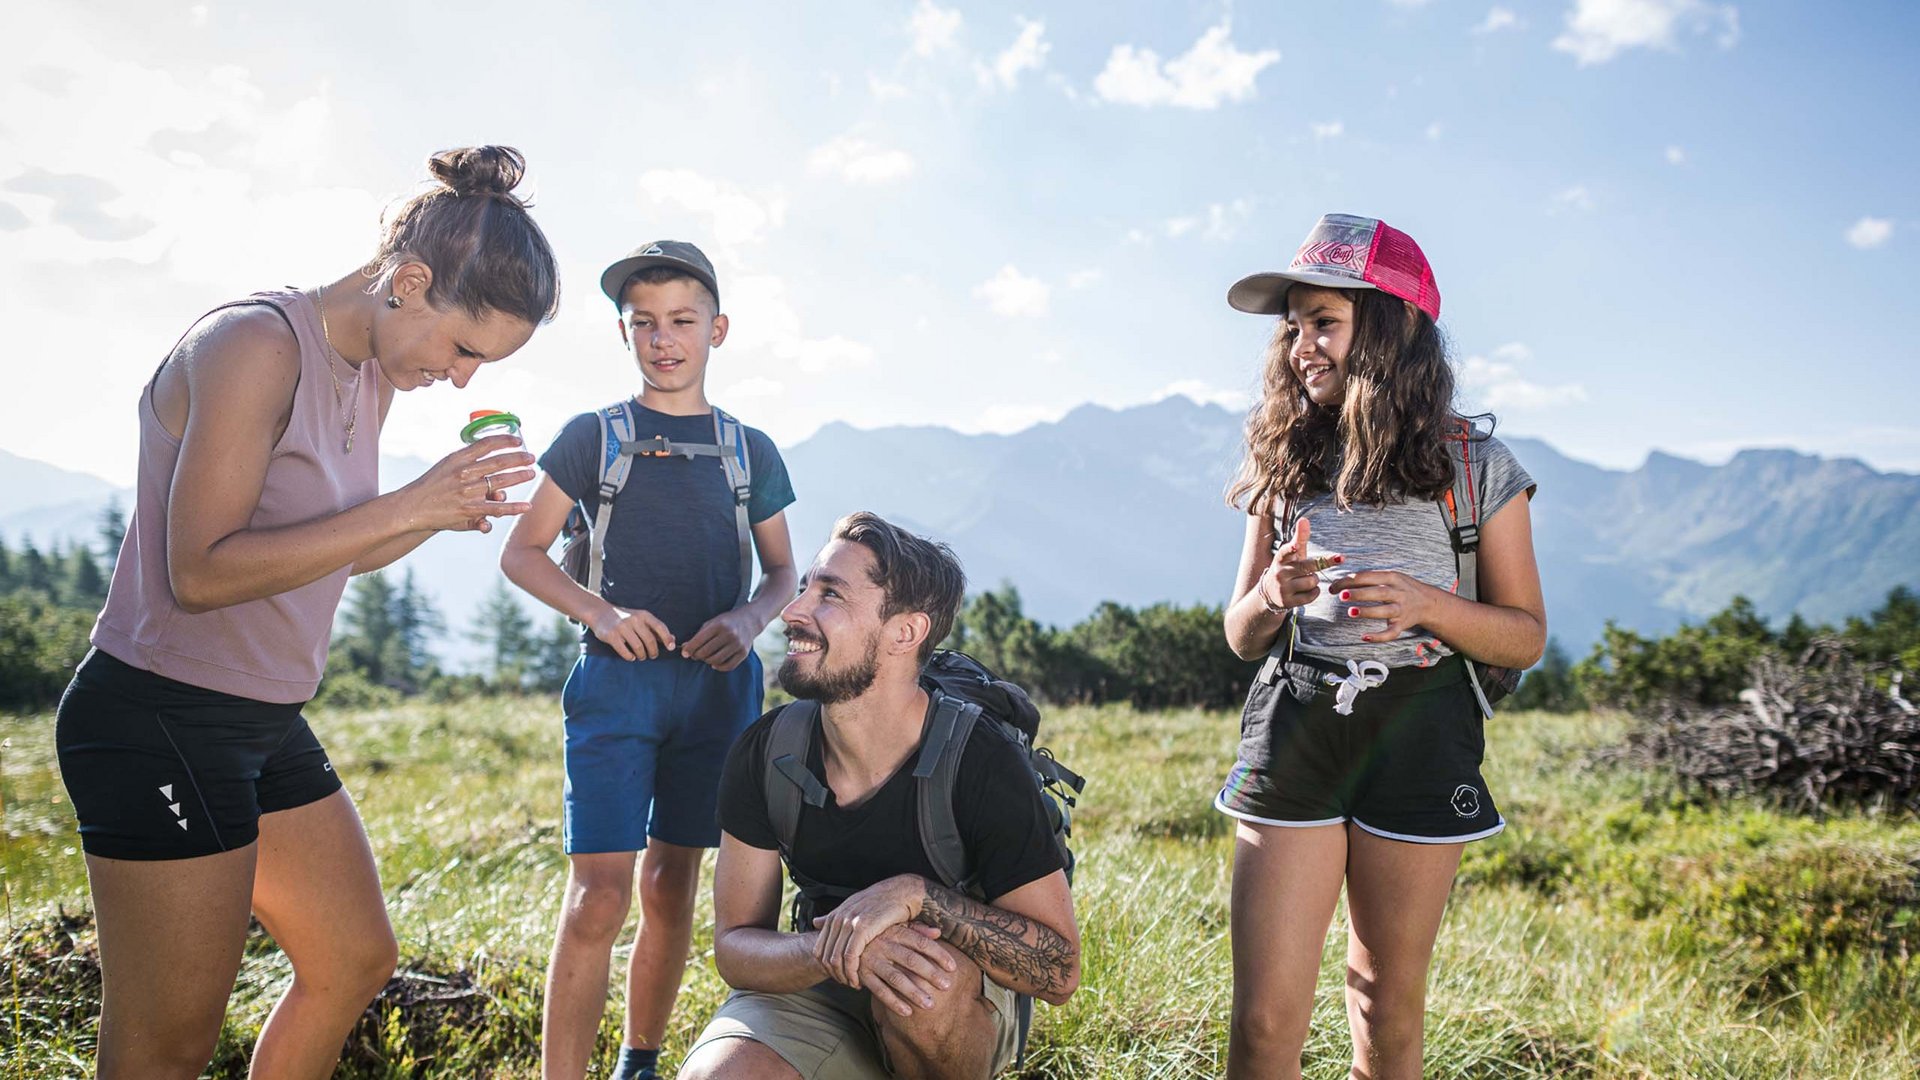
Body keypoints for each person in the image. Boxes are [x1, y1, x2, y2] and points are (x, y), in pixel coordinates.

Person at [53, 145, 559, 1079]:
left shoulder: (367, 372)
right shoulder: (254, 345)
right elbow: (199, 572)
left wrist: (434, 513)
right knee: (162, 1053)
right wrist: (407, 505)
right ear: (408, 282)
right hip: (160, 714)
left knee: (353, 959)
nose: (461, 380)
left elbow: (339, 550)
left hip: (262, 715)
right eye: (463, 349)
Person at [1215, 213, 1546, 1080]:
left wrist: (1431, 605)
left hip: (1421, 728)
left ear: (1390, 330)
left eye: (1324, 321)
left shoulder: (1477, 468)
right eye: (1296, 326)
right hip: (1298, 723)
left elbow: (1525, 636)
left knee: (1385, 1006)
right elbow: (1241, 635)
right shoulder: (1282, 458)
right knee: (1259, 1024)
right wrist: (1270, 596)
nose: (1301, 347)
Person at [498, 241, 798, 1080]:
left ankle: (640, 1063)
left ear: (718, 329)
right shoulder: (593, 437)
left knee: (673, 886)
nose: (662, 339)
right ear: (625, 333)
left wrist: (747, 620)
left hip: (717, 692)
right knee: (600, 895)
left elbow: (784, 572)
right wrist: (601, 611)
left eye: (681, 321)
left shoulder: (751, 450)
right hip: (615, 689)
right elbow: (522, 554)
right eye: (643, 324)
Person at [680, 511, 1081, 1080]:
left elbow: (1058, 970)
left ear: (904, 632)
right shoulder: (767, 751)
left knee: (920, 982)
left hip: (951, 996)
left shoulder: (980, 761)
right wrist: (837, 949)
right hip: (820, 983)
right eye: (802, 591)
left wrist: (917, 898)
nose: (792, 612)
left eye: (831, 596)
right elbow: (734, 947)